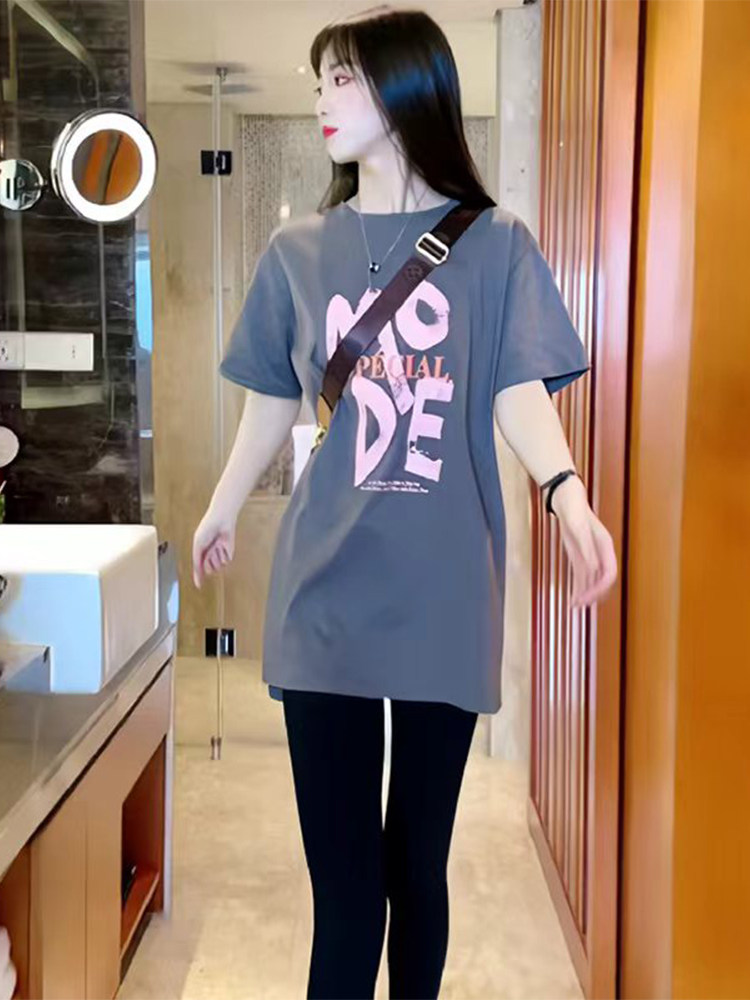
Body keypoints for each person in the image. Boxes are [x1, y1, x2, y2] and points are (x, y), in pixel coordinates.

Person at [192, 5, 618, 998]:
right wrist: (220, 505)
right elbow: (272, 398)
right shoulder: (297, 250)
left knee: (415, 869)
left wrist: (566, 493)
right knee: (346, 892)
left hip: (445, 592)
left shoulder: (496, 245)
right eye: (319, 82)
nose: (323, 99)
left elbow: (515, 386)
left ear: (407, 88)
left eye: (342, 78)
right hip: (324, 593)